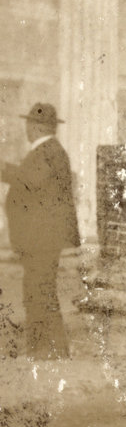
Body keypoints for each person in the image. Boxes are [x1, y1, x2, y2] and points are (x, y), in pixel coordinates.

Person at [1, 102, 80, 359]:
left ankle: (46, 349)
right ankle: (47, 348)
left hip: (42, 239)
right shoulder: (50, 151)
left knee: (39, 291)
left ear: (35, 127)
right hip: (41, 237)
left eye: (29, 125)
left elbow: (30, 180)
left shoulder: (48, 152)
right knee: (39, 291)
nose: (26, 129)